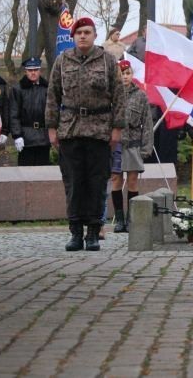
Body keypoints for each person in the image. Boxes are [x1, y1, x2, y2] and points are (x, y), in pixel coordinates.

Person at [46, 17, 125, 252]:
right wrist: (52, 127)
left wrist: (117, 128)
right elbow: (53, 95)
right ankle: (75, 232)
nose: (83, 36)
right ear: (73, 36)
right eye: (78, 32)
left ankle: (93, 232)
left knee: (96, 183)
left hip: (99, 131)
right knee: (73, 184)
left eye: (87, 32)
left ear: (94, 35)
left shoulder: (108, 61)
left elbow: (119, 96)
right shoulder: (62, 60)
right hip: (70, 130)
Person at [109, 59, 153, 232]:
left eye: (128, 73)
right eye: (122, 73)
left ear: (132, 75)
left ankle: (131, 219)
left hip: (133, 143)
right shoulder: (112, 95)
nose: (125, 77)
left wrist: (146, 147)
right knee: (116, 179)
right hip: (116, 143)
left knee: (133, 180)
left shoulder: (140, 95)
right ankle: (119, 219)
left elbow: (147, 123)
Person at [9, 57, 51, 166]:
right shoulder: (18, 89)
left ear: (40, 71)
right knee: (25, 174)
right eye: (30, 70)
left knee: (42, 173)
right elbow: (14, 114)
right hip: (25, 137)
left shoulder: (47, 88)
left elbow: (52, 112)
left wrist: (53, 132)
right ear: (26, 71)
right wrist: (17, 135)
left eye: (36, 70)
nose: (33, 73)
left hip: (43, 136)